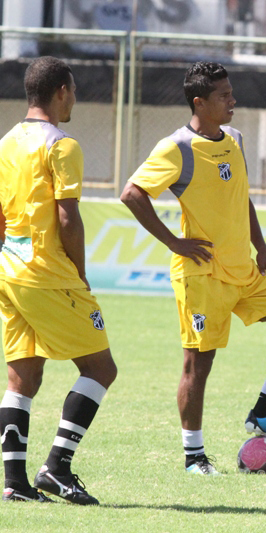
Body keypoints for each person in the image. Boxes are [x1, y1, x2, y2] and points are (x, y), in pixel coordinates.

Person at [120, 62, 266, 475]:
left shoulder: (235, 139)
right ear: (200, 102)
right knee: (199, 365)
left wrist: (261, 249)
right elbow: (132, 194)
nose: (233, 101)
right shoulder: (176, 148)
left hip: (245, 270)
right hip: (202, 276)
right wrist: (174, 242)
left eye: (231, 92)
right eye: (224, 95)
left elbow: (241, 196)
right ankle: (194, 457)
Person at [0, 56, 117, 504]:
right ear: (61, 91)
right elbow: (68, 218)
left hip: (10, 269)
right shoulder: (62, 144)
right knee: (100, 368)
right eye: (74, 90)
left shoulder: (8, 141)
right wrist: (80, 274)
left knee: (23, 378)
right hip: (48, 273)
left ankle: (14, 484)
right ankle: (57, 467)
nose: (75, 99)